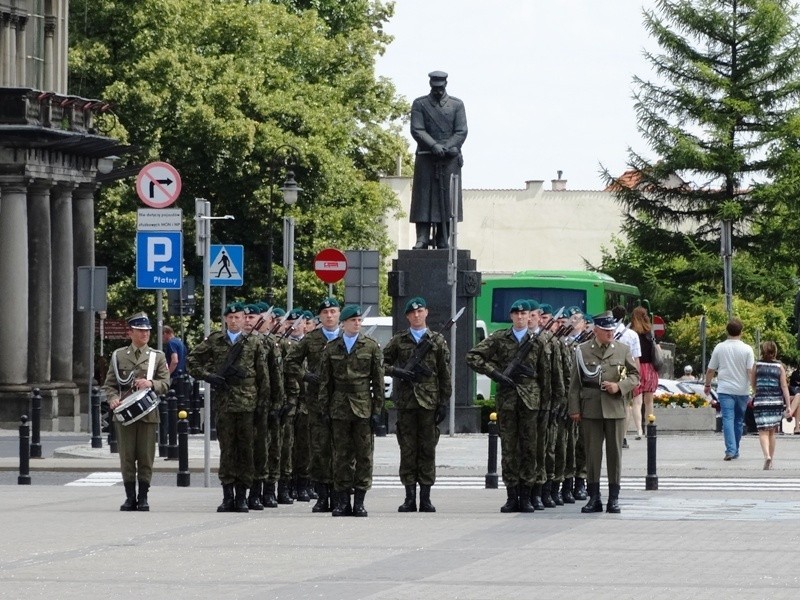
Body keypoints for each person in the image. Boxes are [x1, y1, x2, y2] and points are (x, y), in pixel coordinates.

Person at [187, 302, 277, 512]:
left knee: (247, 450)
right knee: (227, 450)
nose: (235, 321)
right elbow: (192, 360)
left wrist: (265, 406)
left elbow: (264, 376)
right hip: (225, 403)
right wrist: (209, 377)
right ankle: (228, 495)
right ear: (226, 319)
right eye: (232, 317)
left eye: (239, 317)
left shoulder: (254, 342)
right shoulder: (216, 341)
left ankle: (242, 496)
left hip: (249, 404)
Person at [466, 300, 551, 513]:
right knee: (509, 450)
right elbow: (473, 356)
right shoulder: (499, 338)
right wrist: (495, 373)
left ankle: (527, 496)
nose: (521, 317)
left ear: (530, 316)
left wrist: (547, 405)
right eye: (517, 314)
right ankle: (512, 495)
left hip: (531, 401)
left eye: (524, 314)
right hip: (507, 401)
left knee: (530, 449)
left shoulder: (538, 341)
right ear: (511, 316)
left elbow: (545, 375)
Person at [382, 296, 452, 513]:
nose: (416, 315)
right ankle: (409, 497)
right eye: (412, 313)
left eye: (420, 311)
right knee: (408, 449)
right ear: (407, 317)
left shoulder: (437, 341)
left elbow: (444, 373)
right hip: (406, 403)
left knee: (428, 450)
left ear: (426, 313)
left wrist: (444, 402)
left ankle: (426, 497)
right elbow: (380, 363)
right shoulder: (399, 340)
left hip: (429, 403)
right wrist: (398, 371)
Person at [568, 311, 639, 514]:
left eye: (612, 330)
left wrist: (620, 387)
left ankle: (614, 498)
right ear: (596, 330)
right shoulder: (582, 350)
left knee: (614, 454)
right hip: (591, 408)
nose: (610, 333)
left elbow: (635, 376)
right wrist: (574, 408)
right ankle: (594, 498)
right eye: (606, 330)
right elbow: (575, 383)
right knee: (592, 454)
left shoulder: (622, 349)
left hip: (615, 407)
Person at [318, 304, 384, 517]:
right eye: (353, 320)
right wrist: (324, 409)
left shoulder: (371, 346)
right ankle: (342, 501)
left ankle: (360, 502)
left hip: (363, 406)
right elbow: (325, 382)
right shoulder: (331, 347)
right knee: (341, 455)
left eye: (359, 321)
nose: (357, 323)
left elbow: (378, 382)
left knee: (364, 455)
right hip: (339, 407)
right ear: (343, 323)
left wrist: (377, 411)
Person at [102, 312, 170, 512]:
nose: (145, 334)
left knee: (146, 457)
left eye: (147, 331)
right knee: (127, 457)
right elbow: (110, 384)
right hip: (124, 415)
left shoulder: (157, 356)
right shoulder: (119, 355)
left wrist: (151, 383)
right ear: (130, 332)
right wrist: (113, 398)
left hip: (147, 414)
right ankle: (130, 497)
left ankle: (143, 497)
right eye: (140, 331)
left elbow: (166, 383)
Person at [284, 297, 342, 513]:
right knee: (318, 450)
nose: (329, 315)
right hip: (316, 403)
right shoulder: (311, 340)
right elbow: (291, 362)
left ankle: (339, 495)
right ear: (320, 316)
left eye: (333, 311)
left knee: (341, 450)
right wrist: (306, 376)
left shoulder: (347, 338)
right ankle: (322, 495)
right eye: (325, 312)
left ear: (339, 314)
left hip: (343, 403)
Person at [409, 70, 468, 250]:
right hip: (427, 157)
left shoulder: (457, 105)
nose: (438, 91)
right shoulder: (420, 104)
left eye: (440, 88)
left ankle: (443, 238)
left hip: (449, 158)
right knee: (423, 199)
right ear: (430, 85)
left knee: (447, 200)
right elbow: (417, 129)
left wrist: (447, 146)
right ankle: (422, 238)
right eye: (435, 88)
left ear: (445, 85)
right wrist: (433, 145)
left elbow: (461, 131)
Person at [704, 318, 756, 461]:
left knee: (727, 418)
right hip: (742, 390)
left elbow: (710, 370)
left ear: (727, 331)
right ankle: (735, 449)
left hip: (725, 389)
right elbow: (750, 371)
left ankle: (731, 450)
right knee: (739, 420)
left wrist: (707, 385)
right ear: (741, 331)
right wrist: (754, 388)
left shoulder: (720, 347)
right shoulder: (747, 349)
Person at [751, 341, 792, 470]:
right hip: (776, 402)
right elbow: (784, 386)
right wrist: (788, 405)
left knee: (762, 431)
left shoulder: (756, 365)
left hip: (761, 401)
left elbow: (753, 384)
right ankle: (771, 460)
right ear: (775, 351)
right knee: (772, 432)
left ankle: (766, 456)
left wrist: (758, 392)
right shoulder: (780, 367)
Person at [612, 305, 642, 446]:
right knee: (626, 404)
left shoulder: (609, 331)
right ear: (624, 317)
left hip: (611, 368)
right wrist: (637, 377)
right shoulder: (631, 334)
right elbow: (636, 358)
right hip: (624, 369)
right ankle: (622, 435)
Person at [630, 307, 658, 440]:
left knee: (636, 402)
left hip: (637, 367)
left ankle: (639, 430)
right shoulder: (650, 332)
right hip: (650, 369)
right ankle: (650, 427)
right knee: (649, 402)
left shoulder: (631, 333)